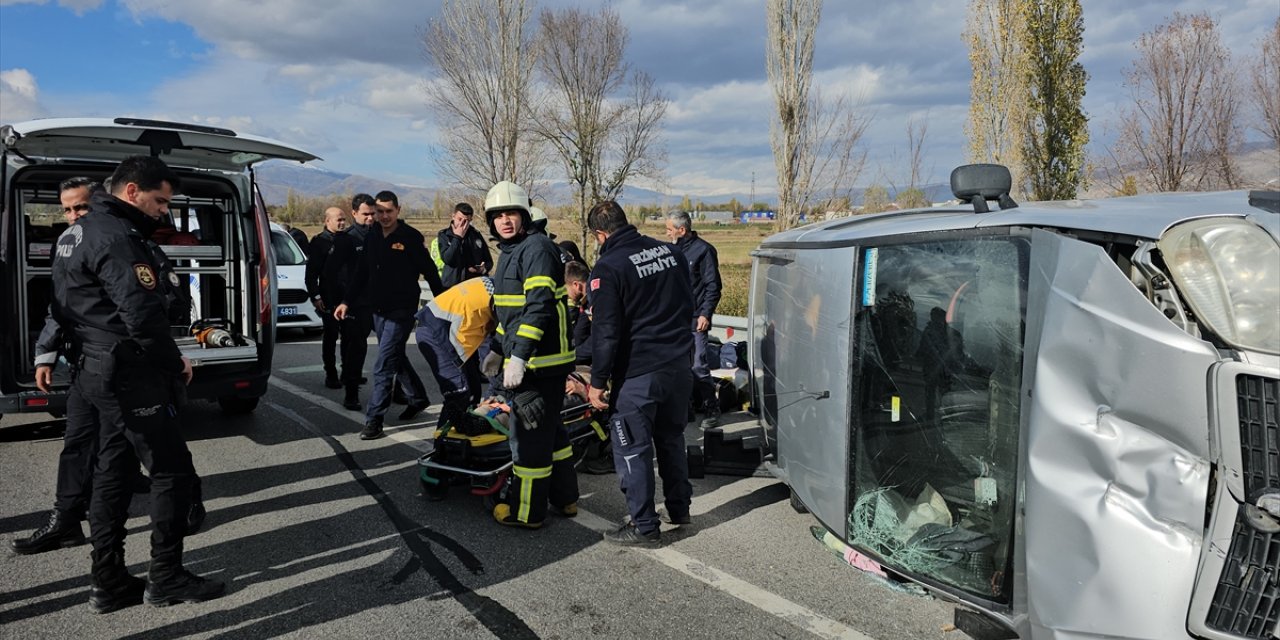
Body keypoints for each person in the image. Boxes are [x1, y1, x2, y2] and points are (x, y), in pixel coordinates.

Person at [48, 156, 223, 612]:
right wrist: (173, 364)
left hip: (93, 367)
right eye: (159, 200)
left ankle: (107, 581)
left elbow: (66, 306)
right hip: (128, 371)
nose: (164, 210)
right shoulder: (117, 237)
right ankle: (165, 577)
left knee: (113, 473)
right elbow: (142, 317)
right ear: (131, 191)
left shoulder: (75, 232)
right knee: (171, 472)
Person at [16, 178, 207, 560]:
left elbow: (160, 303)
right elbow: (64, 305)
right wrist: (46, 352)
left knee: (157, 455)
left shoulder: (130, 243)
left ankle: (184, 511)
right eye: (67, 210)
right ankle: (67, 519)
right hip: (89, 366)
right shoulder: (73, 243)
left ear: (101, 203)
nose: (74, 216)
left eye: (81, 208)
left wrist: (168, 358)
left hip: (130, 366)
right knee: (80, 445)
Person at [587, 200, 695, 546]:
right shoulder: (671, 252)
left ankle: (644, 524)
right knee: (671, 439)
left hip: (638, 373)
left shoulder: (608, 267)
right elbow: (689, 306)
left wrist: (597, 382)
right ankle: (679, 509)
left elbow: (605, 333)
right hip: (678, 365)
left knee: (631, 447)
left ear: (600, 234)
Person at [482, 180, 579, 529]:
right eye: (498, 215)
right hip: (537, 361)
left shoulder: (535, 249)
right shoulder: (511, 252)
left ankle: (527, 512)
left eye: (511, 213)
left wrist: (518, 357)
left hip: (539, 364)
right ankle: (565, 498)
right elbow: (510, 312)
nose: (504, 221)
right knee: (551, 432)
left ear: (524, 215)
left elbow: (537, 309)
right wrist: (496, 348)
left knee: (528, 442)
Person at [335, 190, 444, 440]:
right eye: (378, 212)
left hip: (401, 310)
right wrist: (346, 302)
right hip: (378, 310)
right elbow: (361, 273)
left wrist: (443, 302)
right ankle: (418, 397)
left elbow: (429, 271)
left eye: (388, 211)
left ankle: (374, 419)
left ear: (398, 210)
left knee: (383, 364)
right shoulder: (372, 236)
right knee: (394, 354)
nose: (383, 216)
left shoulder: (410, 237)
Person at [665, 211, 722, 429]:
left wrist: (705, 314)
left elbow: (713, 287)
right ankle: (685, 407)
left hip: (696, 319)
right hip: (675, 321)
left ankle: (711, 407)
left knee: (699, 365)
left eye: (670, 229)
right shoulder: (670, 251)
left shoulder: (703, 251)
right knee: (679, 367)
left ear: (682, 230)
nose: (667, 232)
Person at [415, 276, 495, 428]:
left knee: (473, 391)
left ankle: (464, 440)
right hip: (436, 334)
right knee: (459, 395)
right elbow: (491, 350)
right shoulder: (497, 297)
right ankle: (443, 446)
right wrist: (498, 386)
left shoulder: (489, 284)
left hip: (442, 331)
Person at [325, 194, 377, 409]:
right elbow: (331, 273)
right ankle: (351, 393)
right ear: (355, 214)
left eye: (373, 214)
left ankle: (400, 390)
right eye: (366, 214)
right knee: (356, 347)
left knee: (393, 348)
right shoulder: (347, 239)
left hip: (380, 301)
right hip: (355, 302)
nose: (370, 218)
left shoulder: (382, 236)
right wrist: (336, 301)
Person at [306, 206, 350, 389]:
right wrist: (316, 297)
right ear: (327, 221)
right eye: (338, 220)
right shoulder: (319, 242)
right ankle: (331, 373)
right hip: (328, 298)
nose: (341, 223)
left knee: (350, 338)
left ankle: (348, 372)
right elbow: (311, 275)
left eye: (343, 220)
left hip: (347, 298)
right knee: (331, 336)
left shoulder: (348, 240)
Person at [432, 202, 492, 290]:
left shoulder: (476, 235)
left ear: (471, 220)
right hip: (451, 287)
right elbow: (448, 259)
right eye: (459, 219)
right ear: (453, 216)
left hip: (473, 286)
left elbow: (489, 261)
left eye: (466, 221)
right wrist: (457, 238)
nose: (462, 224)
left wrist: (483, 269)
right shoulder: (444, 235)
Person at [564, 260, 592, 364]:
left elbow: (599, 338)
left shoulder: (595, 298)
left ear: (576, 285)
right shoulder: (587, 299)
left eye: (567, 288)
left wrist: (573, 357)